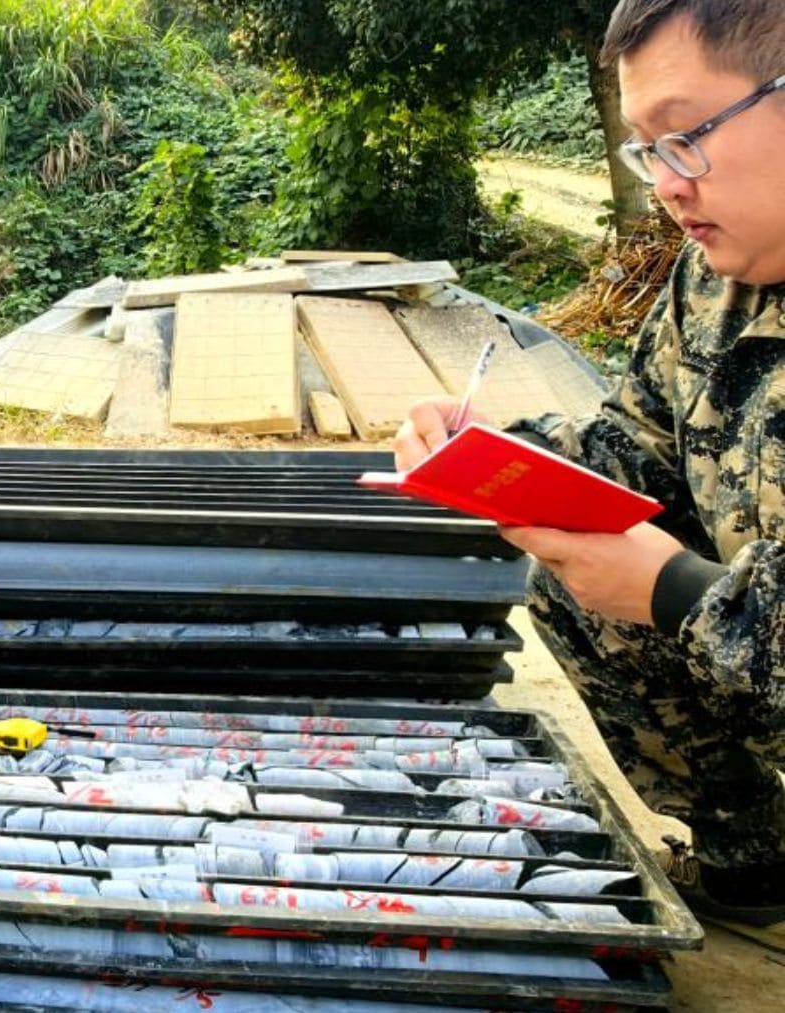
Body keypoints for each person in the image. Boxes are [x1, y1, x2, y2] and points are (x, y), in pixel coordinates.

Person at [394, 0, 785, 950]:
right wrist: (497, 456)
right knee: (573, 580)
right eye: (646, 149)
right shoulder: (718, 281)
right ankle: (758, 858)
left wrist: (676, 590)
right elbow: (637, 445)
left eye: (686, 137)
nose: (665, 186)